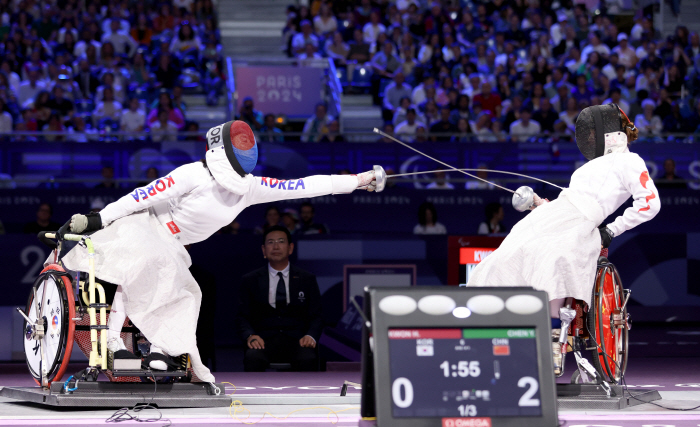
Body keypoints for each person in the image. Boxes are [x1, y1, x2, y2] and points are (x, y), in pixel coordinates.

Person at [58, 121, 379, 383]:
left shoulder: (252, 186)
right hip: (146, 224)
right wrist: (100, 217)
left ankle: (159, 350)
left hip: (174, 244)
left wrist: (359, 180)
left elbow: (305, 185)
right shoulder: (191, 174)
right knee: (150, 270)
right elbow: (141, 196)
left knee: (181, 292)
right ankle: (116, 342)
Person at [467, 104, 660, 320]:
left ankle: (547, 315)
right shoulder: (589, 167)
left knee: (554, 256)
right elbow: (570, 201)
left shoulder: (630, 161)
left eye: (593, 134)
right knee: (510, 251)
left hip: (581, 222)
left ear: (609, 132)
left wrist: (612, 230)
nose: (589, 139)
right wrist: (543, 205)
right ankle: (487, 308)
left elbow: (650, 203)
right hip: (555, 214)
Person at [236, 226, 322, 372]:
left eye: (281, 241)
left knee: (308, 359)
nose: (276, 246)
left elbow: (317, 315)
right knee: (253, 358)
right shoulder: (250, 280)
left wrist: (310, 335)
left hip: (298, 341)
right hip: (263, 340)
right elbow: (241, 316)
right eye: (271, 242)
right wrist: (250, 335)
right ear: (264, 250)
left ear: (290, 248)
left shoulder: (306, 278)